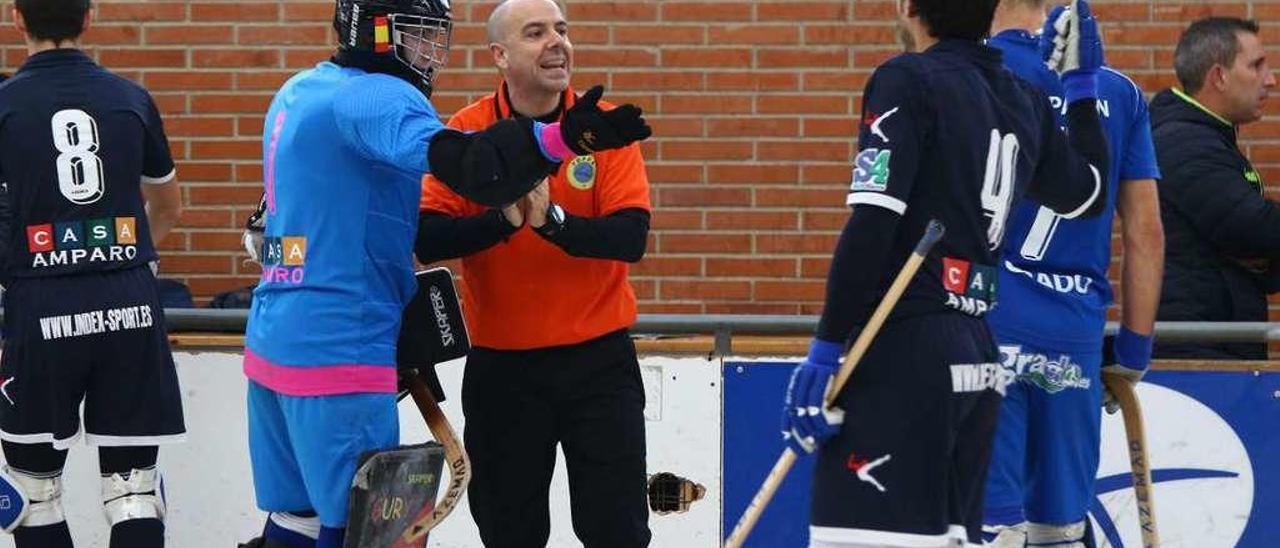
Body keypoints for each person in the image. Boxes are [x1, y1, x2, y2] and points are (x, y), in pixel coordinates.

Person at [238, 0, 651, 546]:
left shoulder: (299, 90)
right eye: (417, 33)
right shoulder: (380, 96)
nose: (430, 49)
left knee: (296, 520)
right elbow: (474, 169)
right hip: (343, 349)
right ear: (375, 30)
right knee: (377, 535)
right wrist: (558, 141)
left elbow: (266, 226)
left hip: (275, 340)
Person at [778, 0, 1111, 546]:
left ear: (910, 7)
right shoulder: (1023, 97)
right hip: (979, 351)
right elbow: (1089, 195)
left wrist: (826, 345)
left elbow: (873, 221)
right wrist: (1081, 88)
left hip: (906, 344)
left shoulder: (904, 79)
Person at [415, 0, 652, 546]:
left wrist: (554, 223)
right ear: (500, 55)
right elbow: (427, 239)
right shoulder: (467, 132)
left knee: (615, 529)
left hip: (599, 365)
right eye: (536, 32)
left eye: (562, 30)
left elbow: (629, 239)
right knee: (508, 530)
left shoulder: (603, 128)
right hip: (503, 372)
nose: (557, 42)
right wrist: (504, 220)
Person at [0, 0, 185, 546]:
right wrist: (121, 259)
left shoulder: (5, 106)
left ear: (16, 18)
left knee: (33, 494)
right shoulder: (132, 98)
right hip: (128, 299)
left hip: (39, 306)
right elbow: (168, 208)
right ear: (89, 17)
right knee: (133, 492)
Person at [982, 1, 1165, 546]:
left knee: (992, 522)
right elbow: (1145, 232)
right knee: (1058, 526)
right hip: (1074, 330)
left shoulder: (966, 73)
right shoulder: (1121, 92)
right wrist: (1132, 351)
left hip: (984, 318)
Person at [1151, 17, 1278, 360]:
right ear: (1219, 77)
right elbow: (1255, 230)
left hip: (1217, 343)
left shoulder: (1208, 139)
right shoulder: (1185, 142)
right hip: (1196, 355)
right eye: (1257, 66)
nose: (1270, 80)